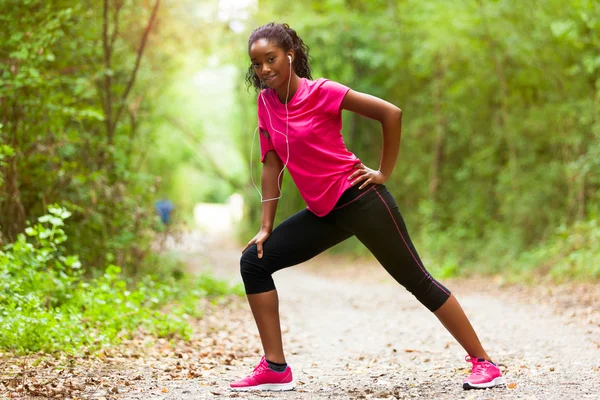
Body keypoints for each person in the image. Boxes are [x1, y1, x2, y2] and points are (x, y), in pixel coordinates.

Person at [230, 22, 504, 392]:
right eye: (257, 64)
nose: (264, 70)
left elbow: (390, 113)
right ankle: (276, 368)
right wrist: (265, 226)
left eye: (271, 59)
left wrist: (382, 172)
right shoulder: (266, 104)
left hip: (360, 198)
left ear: (290, 55)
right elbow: (272, 164)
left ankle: (484, 362)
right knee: (254, 262)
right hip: (324, 211)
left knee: (416, 280)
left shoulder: (322, 91)